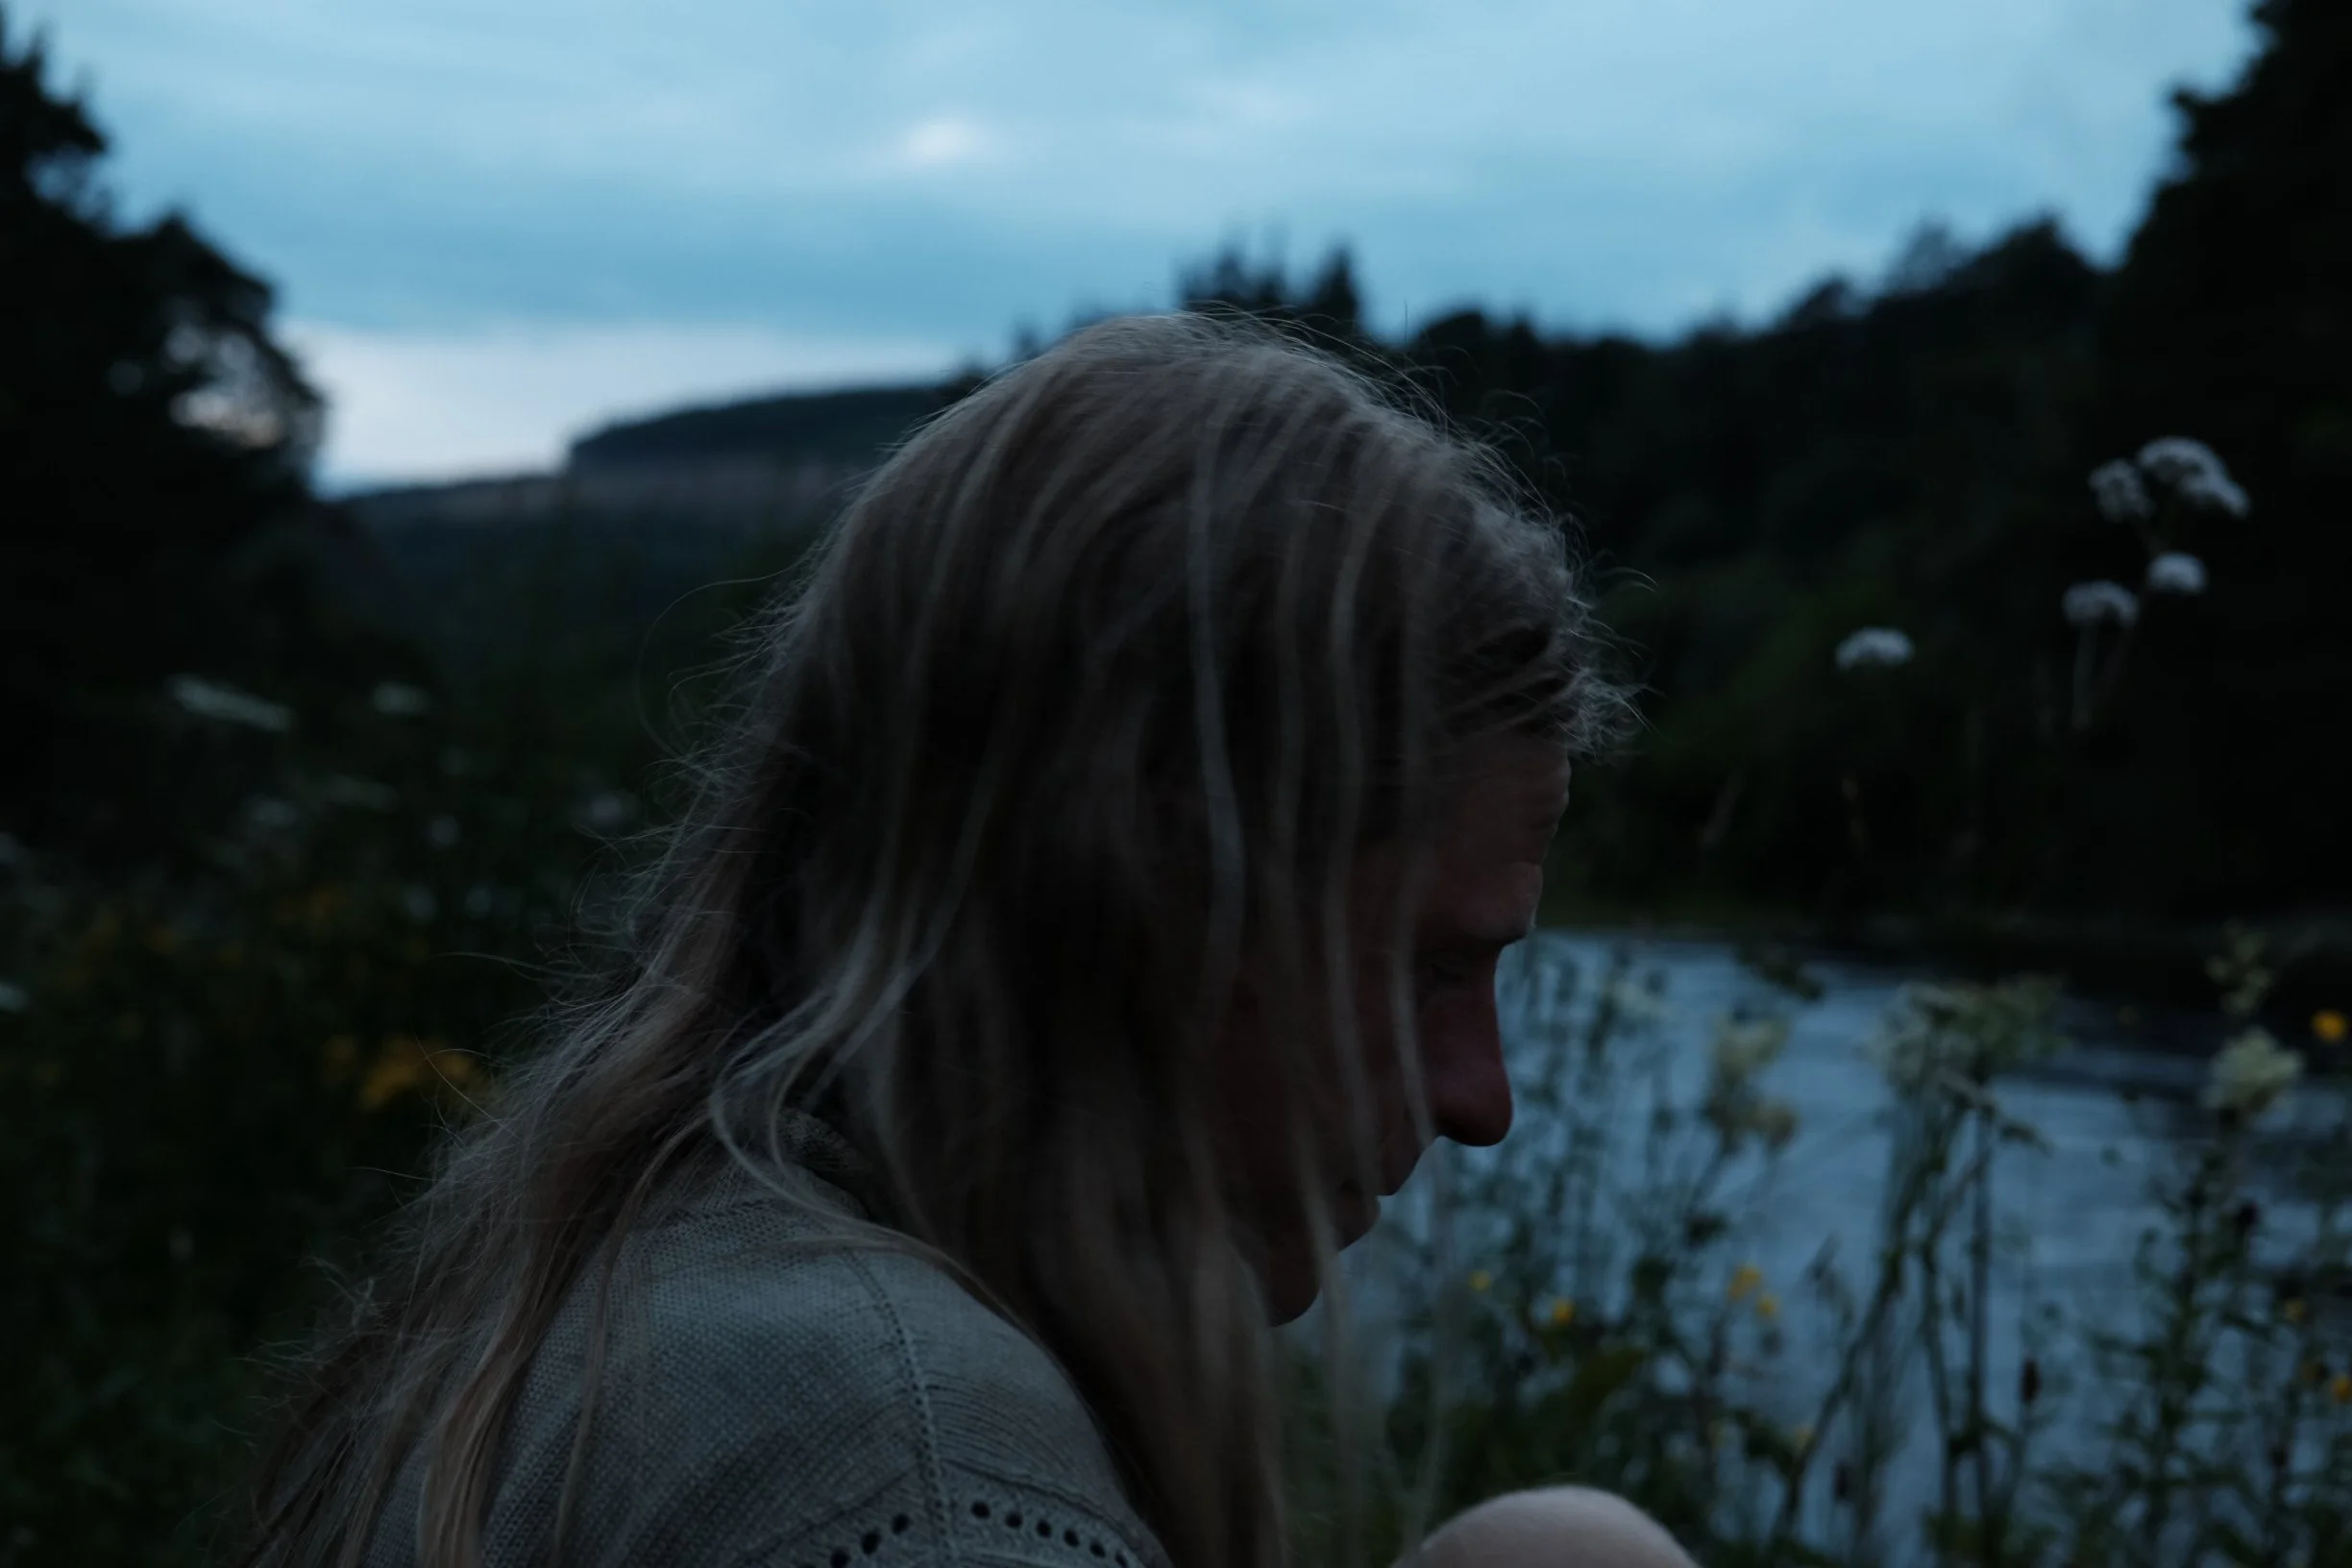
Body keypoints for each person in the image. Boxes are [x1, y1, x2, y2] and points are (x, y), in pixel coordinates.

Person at [238, 312, 1693, 1568]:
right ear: (1136, 900)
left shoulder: (647, 1275)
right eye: (1424, 970)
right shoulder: (917, 1472)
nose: (1481, 1100)